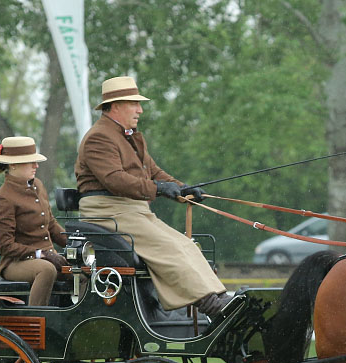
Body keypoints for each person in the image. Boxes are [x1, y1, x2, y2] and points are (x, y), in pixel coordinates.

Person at [75, 76, 233, 317]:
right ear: (115, 106)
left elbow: (153, 172)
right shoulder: (99, 137)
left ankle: (221, 298)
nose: (140, 109)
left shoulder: (128, 136)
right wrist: (158, 188)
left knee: (185, 245)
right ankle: (213, 309)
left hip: (133, 211)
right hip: (108, 213)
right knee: (169, 248)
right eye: (134, 104)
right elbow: (114, 180)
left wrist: (181, 189)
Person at [0, 136, 68, 306]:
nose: (36, 166)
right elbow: (5, 246)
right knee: (46, 269)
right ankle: (36, 322)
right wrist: (41, 254)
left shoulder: (37, 185)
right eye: (30, 161)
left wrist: (75, 244)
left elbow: (51, 224)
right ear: (13, 165)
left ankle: (76, 323)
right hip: (16, 263)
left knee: (83, 273)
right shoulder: (3, 198)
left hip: (48, 257)